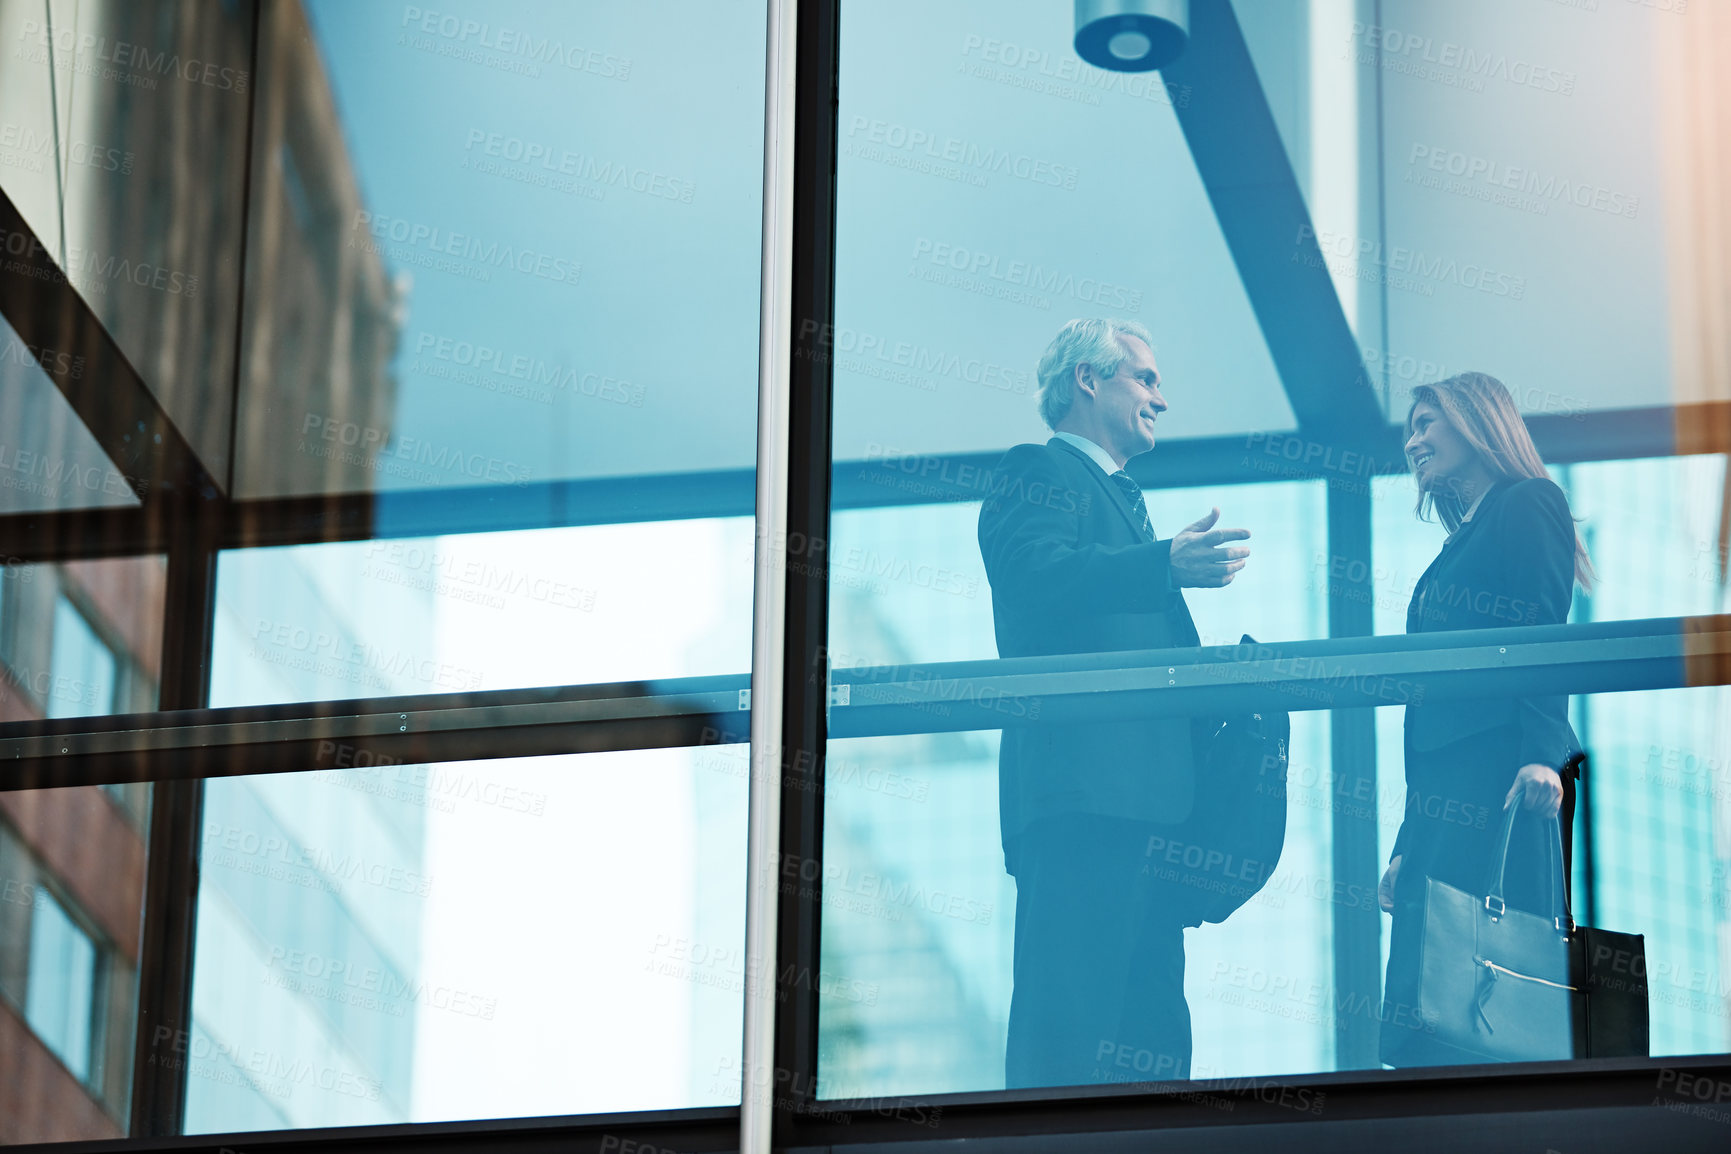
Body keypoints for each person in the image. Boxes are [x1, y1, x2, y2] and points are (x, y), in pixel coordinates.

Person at [978, 318, 1251, 1089]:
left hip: (1150, 815)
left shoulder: (1116, 498)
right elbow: (1035, 580)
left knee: (1151, 1036)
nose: (1161, 398)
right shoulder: (1036, 469)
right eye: (1145, 378)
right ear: (1086, 382)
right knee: (1066, 1031)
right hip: (1082, 807)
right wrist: (1161, 563)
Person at [1376, 371, 1594, 1067]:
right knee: (1432, 1010)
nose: (1412, 441)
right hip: (1440, 804)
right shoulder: (1454, 548)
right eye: (1408, 429)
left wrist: (1542, 754)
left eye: (1425, 423)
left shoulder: (1527, 504)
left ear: (1476, 423)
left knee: (1486, 1002)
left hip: (1497, 780)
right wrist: (1405, 840)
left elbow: (1539, 631)